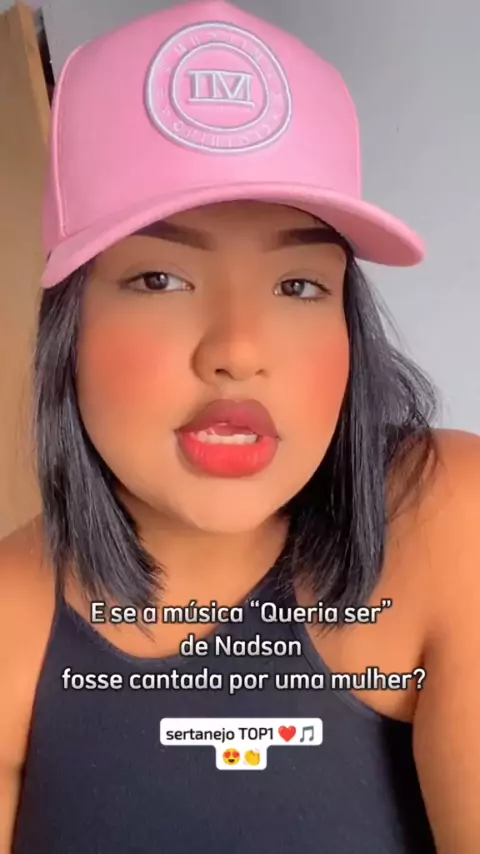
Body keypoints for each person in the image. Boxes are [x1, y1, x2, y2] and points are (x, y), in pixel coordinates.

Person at [1, 0, 479, 851]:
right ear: (68, 326)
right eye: (160, 279)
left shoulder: (449, 516)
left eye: (299, 285)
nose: (238, 350)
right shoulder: (11, 619)